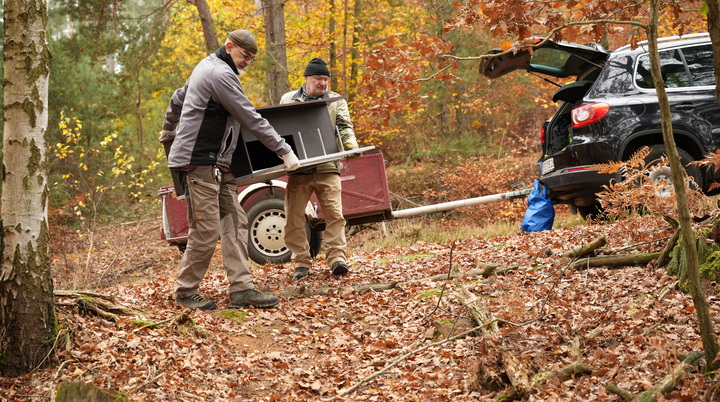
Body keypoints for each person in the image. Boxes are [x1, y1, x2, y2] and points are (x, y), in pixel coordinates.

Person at [159, 29, 301, 310]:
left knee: (235, 222)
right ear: (229, 47)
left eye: (251, 58)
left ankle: (242, 289)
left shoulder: (207, 67)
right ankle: (186, 292)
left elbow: (178, 98)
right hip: (198, 162)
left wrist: (167, 126)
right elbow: (250, 116)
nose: (248, 62)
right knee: (206, 229)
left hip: (218, 164)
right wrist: (284, 150)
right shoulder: (219, 74)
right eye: (245, 55)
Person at [279, 58, 358, 280]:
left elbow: (344, 126)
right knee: (293, 218)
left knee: (335, 214)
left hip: (327, 166)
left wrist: (351, 145)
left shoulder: (335, 100)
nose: (322, 83)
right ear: (306, 79)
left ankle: (336, 259)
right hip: (298, 169)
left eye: (325, 79)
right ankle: (302, 262)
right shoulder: (288, 100)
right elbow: (279, 130)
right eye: (318, 78)